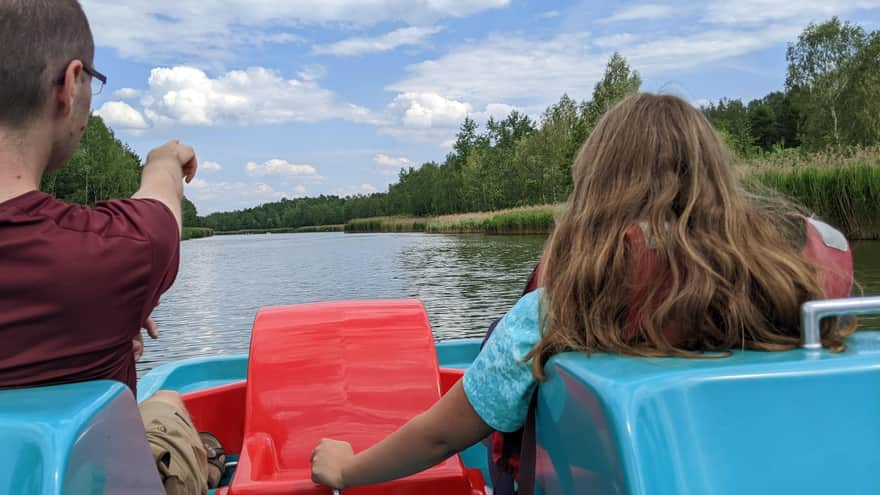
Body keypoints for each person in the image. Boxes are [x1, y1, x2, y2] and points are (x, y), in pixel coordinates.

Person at [309, 93, 856, 490]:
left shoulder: (554, 314)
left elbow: (438, 437)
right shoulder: (792, 306)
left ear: (593, 196)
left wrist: (346, 468)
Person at [0, 1, 220, 492]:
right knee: (168, 408)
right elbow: (161, 198)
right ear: (70, 83)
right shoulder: (120, 251)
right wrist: (166, 158)